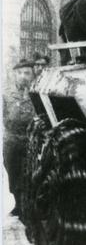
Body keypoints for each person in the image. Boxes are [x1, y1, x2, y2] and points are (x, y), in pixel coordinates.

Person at [3, 58, 35, 215]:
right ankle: (18, 204)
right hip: (12, 139)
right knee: (13, 171)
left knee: (31, 173)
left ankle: (29, 206)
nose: (23, 76)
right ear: (15, 75)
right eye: (20, 73)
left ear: (32, 75)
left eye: (27, 73)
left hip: (32, 139)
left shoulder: (37, 93)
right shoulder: (6, 93)